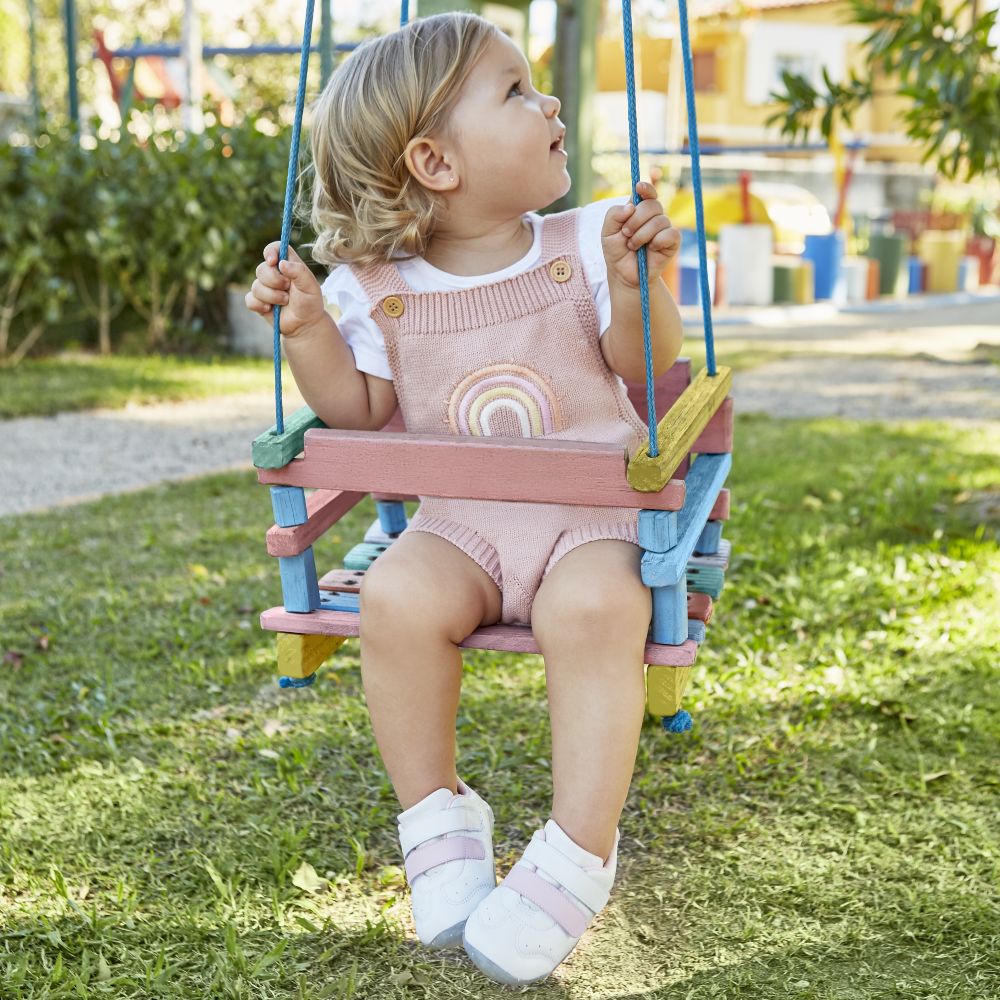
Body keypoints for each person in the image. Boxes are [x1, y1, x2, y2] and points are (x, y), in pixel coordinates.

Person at [246, 12, 682, 987]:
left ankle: (578, 846)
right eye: (517, 91)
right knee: (396, 596)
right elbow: (360, 412)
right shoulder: (379, 288)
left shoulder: (584, 240)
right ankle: (437, 813)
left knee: (596, 608)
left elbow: (648, 379)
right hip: (465, 524)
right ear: (435, 162)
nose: (551, 102)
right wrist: (310, 328)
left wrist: (642, 281)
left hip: (590, 520)